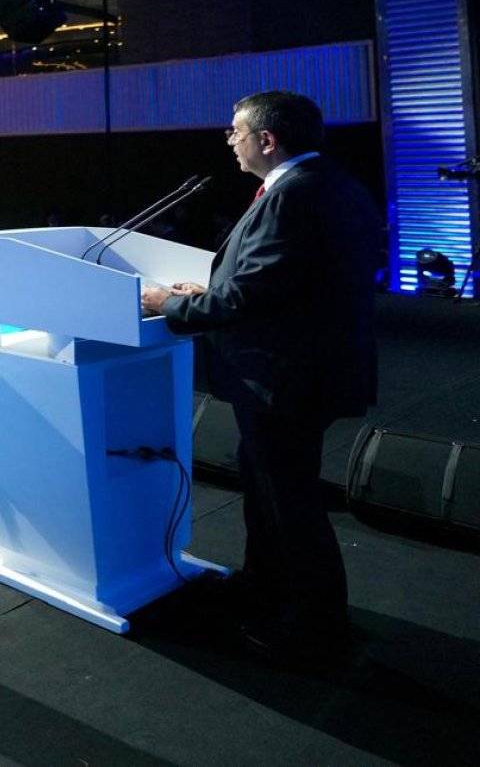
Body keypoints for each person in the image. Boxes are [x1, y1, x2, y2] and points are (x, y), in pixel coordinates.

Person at [141, 91, 380, 666]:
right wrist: (213, 290)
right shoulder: (333, 183)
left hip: (283, 379)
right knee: (269, 491)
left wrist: (168, 305)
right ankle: (264, 589)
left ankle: (314, 630)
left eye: (236, 131)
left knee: (289, 504)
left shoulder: (293, 194)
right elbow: (290, 280)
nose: (231, 140)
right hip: (306, 371)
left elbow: (254, 295)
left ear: (266, 140)